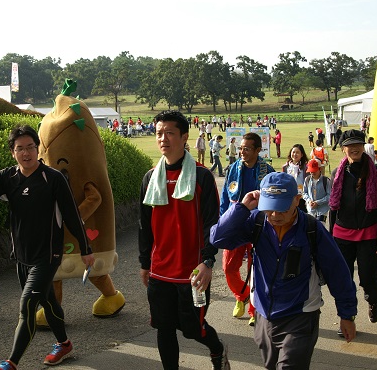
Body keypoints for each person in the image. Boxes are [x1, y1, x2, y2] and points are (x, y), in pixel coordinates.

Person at [0, 125, 95, 369]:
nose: (26, 153)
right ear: (12, 152)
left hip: (48, 255)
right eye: (20, 149)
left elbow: (71, 215)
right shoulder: (8, 177)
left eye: (30, 147)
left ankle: (11, 363)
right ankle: (64, 344)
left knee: (27, 304)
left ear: (38, 149)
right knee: (48, 302)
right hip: (22, 257)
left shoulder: (53, 178)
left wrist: (86, 248)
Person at [210, 172, 357, 369]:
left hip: (301, 315)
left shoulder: (312, 229)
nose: (275, 215)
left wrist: (346, 314)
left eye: (282, 209)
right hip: (264, 316)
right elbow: (218, 238)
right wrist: (242, 208)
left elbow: (337, 272)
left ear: (297, 200)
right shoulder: (256, 222)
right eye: (270, 208)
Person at [139, 110, 230, 370]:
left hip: (192, 271)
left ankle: (217, 348)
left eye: (169, 133)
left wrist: (207, 261)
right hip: (160, 270)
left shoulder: (201, 176)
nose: (163, 138)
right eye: (159, 133)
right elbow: (144, 225)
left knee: (193, 329)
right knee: (164, 328)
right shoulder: (149, 178)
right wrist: (145, 262)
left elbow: (212, 223)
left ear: (184, 136)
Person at [330, 129, 377, 331]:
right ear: (343, 148)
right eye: (350, 145)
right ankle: (347, 316)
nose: (354, 148)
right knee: (344, 279)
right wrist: (330, 236)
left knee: (368, 276)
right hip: (342, 233)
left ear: (364, 147)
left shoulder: (376, 172)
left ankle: (373, 300)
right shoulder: (336, 173)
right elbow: (333, 207)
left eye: (358, 144)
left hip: (368, 233)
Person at [221, 133, 275, 326]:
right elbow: (225, 197)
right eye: (241, 148)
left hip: (258, 226)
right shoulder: (233, 169)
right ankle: (242, 296)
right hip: (235, 225)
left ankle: (254, 308)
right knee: (228, 267)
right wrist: (223, 221)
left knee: (256, 269)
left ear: (258, 150)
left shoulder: (267, 171)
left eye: (247, 148)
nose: (242, 152)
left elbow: (274, 201)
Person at [281, 144, 309, 212]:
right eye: (293, 152)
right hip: (289, 197)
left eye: (297, 152)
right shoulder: (286, 167)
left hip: (302, 198)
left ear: (302, 155)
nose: (295, 154)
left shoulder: (306, 167)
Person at [303, 160, 332, 224]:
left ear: (320, 169)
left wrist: (318, 202)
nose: (312, 173)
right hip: (311, 210)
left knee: (320, 227)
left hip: (322, 210)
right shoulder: (307, 180)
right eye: (311, 171)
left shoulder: (326, 181)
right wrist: (309, 201)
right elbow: (304, 193)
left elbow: (329, 196)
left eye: (314, 170)